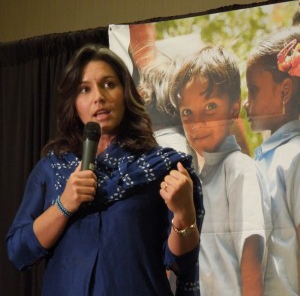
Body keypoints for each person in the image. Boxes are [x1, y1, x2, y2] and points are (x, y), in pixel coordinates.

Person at [6, 45, 205, 296]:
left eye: (108, 84)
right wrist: (64, 205)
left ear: (125, 93)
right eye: (84, 89)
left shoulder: (161, 167)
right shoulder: (52, 168)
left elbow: (179, 263)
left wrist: (184, 213)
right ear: (74, 103)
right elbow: (19, 252)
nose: (98, 96)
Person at [170, 45, 271, 296]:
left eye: (210, 107)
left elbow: (251, 256)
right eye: (187, 113)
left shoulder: (239, 168)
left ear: (234, 111)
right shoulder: (199, 176)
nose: (197, 123)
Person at [244, 26, 300, 296]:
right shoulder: (269, 155)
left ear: (285, 91)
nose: (246, 103)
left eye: (253, 91)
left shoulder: (295, 157)